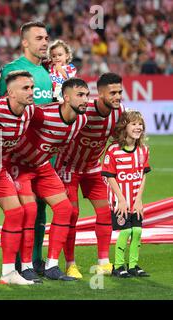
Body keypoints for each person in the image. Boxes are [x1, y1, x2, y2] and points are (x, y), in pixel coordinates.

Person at [8, 78, 89, 281]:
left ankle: (52, 265)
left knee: (65, 209)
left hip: (42, 166)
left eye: (87, 95)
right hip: (21, 164)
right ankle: (24, 266)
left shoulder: (81, 120)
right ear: (66, 97)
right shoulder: (42, 114)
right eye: (80, 95)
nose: (85, 100)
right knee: (30, 210)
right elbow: (18, 118)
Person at [0, 21, 52, 274]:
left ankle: (36, 260)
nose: (45, 42)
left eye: (47, 38)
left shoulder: (46, 74)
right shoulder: (12, 70)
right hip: (17, 155)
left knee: (41, 208)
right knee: (22, 209)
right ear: (25, 42)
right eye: (39, 38)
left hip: (43, 154)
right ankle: (18, 262)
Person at [54, 73, 125, 278]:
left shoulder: (118, 113)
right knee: (72, 215)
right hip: (69, 167)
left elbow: (117, 139)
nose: (117, 96)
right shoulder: (84, 112)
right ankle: (70, 264)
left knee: (105, 213)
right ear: (100, 93)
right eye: (112, 92)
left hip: (93, 168)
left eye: (119, 92)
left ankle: (103, 262)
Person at [0, 71, 39, 285]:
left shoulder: (29, 111)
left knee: (17, 212)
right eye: (25, 88)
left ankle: (8, 272)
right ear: (10, 93)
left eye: (31, 87)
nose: (31, 92)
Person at [101, 110, 151, 278]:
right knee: (125, 232)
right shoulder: (114, 150)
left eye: (140, 124)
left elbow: (142, 175)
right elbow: (110, 177)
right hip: (119, 200)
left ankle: (133, 265)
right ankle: (118, 266)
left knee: (136, 231)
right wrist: (121, 200)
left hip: (135, 201)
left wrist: (138, 200)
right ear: (124, 127)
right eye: (134, 124)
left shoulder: (143, 150)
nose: (138, 127)